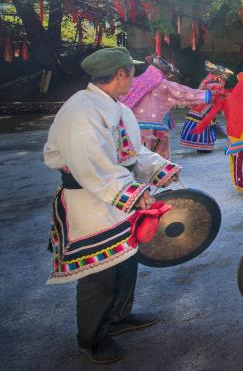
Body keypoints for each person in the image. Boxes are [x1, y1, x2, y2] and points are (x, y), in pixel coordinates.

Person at [43, 47, 181, 364]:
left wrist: (162, 169)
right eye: (132, 73)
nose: (135, 79)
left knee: (126, 259)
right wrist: (134, 192)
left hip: (115, 199)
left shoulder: (116, 108)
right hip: (89, 204)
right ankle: (92, 339)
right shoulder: (81, 113)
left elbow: (131, 153)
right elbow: (93, 167)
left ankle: (118, 317)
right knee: (99, 274)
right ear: (121, 75)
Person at [121, 55, 213, 159]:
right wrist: (208, 95)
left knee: (138, 156)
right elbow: (183, 93)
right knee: (158, 157)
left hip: (133, 126)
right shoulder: (163, 84)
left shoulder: (136, 82)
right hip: (157, 127)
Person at [179, 61, 233, 153]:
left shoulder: (211, 80)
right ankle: (203, 147)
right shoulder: (214, 82)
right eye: (224, 74)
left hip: (203, 106)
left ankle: (203, 146)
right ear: (219, 74)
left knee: (206, 124)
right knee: (204, 124)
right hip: (204, 108)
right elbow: (217, 94)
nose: (226, 76)